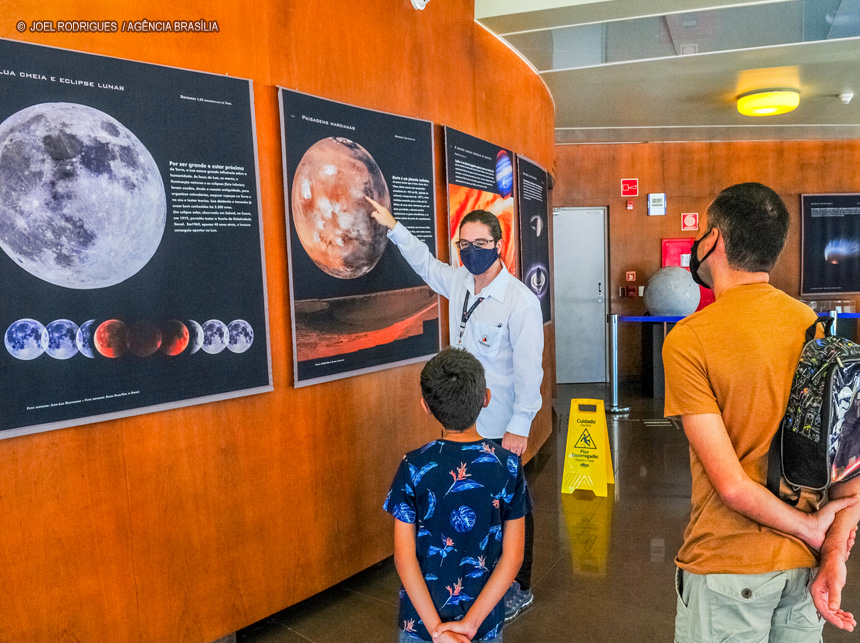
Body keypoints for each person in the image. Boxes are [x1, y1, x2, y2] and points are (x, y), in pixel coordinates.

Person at [662, 182, 860, 642]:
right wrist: (832, 553)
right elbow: (849, 477)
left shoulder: (690, 340)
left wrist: (813, 530)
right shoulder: (817, 331)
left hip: (726, 565)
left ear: (714, 240)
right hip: (805, 575)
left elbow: (731, 484)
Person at [367, 197, 542, 620]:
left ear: (499, 245)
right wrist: (393, 227)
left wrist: (520, 425)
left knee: (511, 502)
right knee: (469, 501)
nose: (470, 251)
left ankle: (518, 586)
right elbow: (425, 263)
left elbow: (529, 371)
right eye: (463, 243)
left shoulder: (519, 302)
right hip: (463, 419)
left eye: (480, 242)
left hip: (500, 423)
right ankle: (472, 573)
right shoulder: (461, 281)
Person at [384, 347, 529, 642]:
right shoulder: (508, 467)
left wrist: (438, 632)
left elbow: (404, 558)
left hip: (421, 626)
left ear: (425, 406)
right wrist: (471, 625)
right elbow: (513, 558)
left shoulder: (413, 467)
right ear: (486, 397)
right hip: (483, 624)